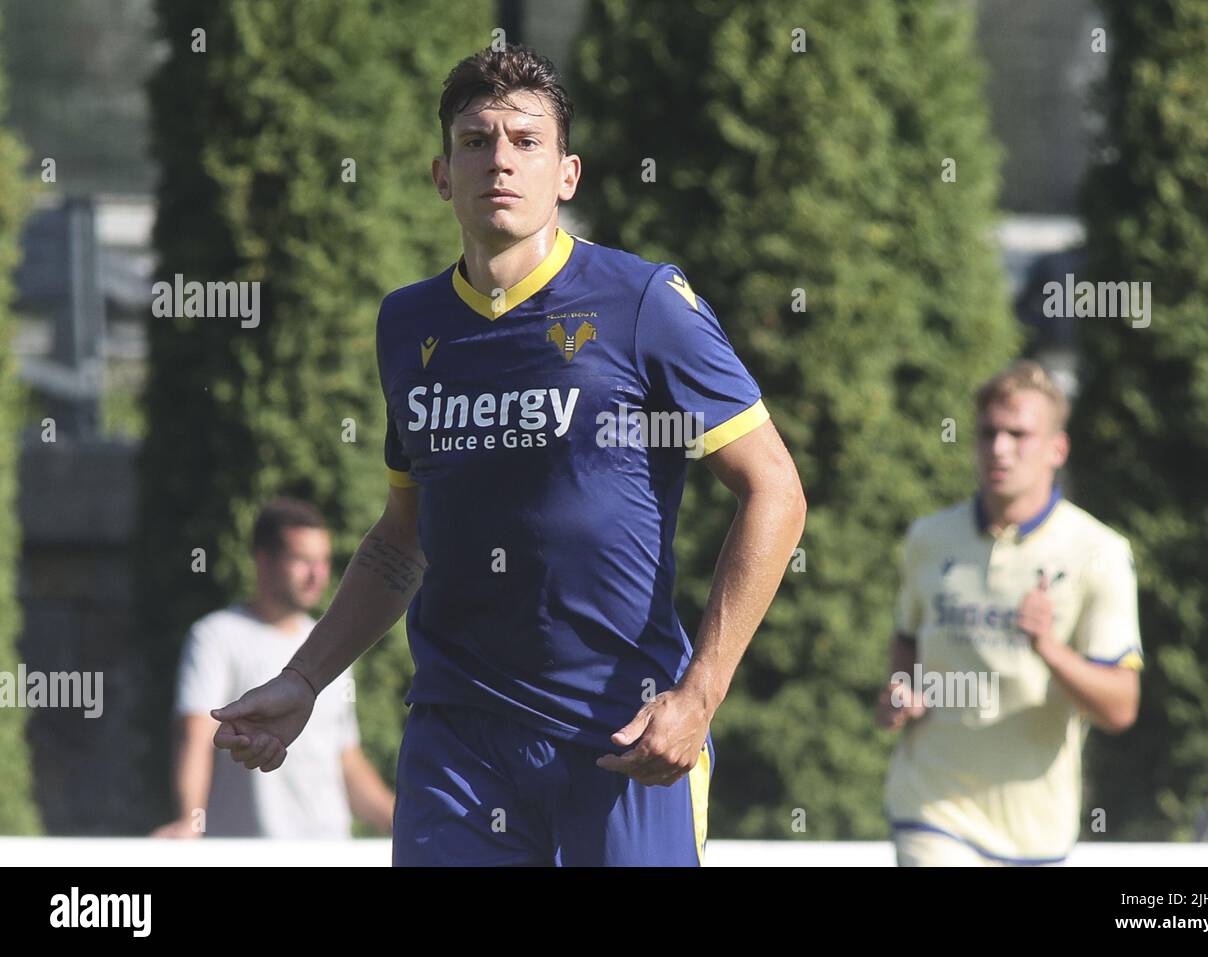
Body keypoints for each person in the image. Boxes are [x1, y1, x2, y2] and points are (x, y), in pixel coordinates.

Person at [209, 45, 806, 866]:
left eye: (526, 141)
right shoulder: (408, 325)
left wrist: (699, 692)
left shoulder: (642, 304)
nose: (500, 159)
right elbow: (400, 538)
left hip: (622, 733)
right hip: (457, 740)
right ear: (441, 173)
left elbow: (775, 489)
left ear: (567, 174)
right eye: (475, 140)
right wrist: (305, 679)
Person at [878, 360, 1142, 866]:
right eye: (988, 433)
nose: (999, 448)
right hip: (931, 806)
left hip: (1035, 831)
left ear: (1056, 449)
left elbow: (1121, 707)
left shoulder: (1100, 552)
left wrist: (1050, 650)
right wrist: (897, 693)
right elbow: (906, 645)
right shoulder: (928, 538)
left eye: (1018, 434)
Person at [152, 497, 394, 839]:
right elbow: (197, 734)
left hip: (331, 854)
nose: (318, 575)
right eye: (303, 561)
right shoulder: (216, 636)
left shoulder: (330, 645)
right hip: (250, 854)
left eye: (323, 562)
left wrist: (401, 821)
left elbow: (346, 760)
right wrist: (190, 822)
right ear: (263, 561)